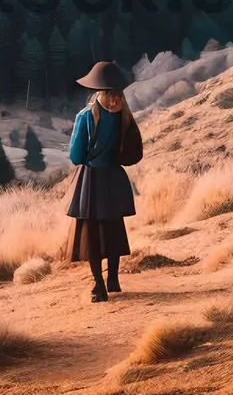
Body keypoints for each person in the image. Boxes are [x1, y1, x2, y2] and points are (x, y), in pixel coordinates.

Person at [66, 60, 143, 303]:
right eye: (112, 95)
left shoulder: (86, 116)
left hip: (92, 181)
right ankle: (112, 280)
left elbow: (76, 156)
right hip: (113, 179)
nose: (114, 99)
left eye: (115, 95)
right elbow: (133, 152)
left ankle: (99, 286)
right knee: (114, 230)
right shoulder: (125, 115)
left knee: (93, 235)